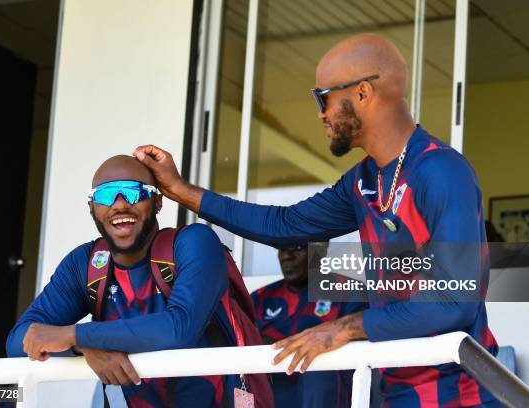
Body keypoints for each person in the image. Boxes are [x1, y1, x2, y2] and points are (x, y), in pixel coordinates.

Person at [133, 33, 500, 407]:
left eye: (322, 97)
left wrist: (344, 327)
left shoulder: (440, 170)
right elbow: (285, 225)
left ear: (361, 93)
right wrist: (181, 190)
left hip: (462, 394)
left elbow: (456, 301)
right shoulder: (363, 180)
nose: (320, 113)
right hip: (399, 389)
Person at [6, 155, 265, 407]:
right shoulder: (84, 263)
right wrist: (83, 347)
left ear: (158, 202)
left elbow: (179, 329)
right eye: (105, 195)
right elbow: (19, 340)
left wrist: (77, 335)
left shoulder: (194, 242)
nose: (119, 204)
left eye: (133, 191)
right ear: (91, 207)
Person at [251, 246, 367, 407]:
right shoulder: (259, 298)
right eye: (281, 248)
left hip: (326, 395)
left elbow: (365, 345)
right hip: (273, 393)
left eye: (297, 247)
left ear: (320, 249)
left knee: (319, 366)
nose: (287, 255)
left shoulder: (348, 291)